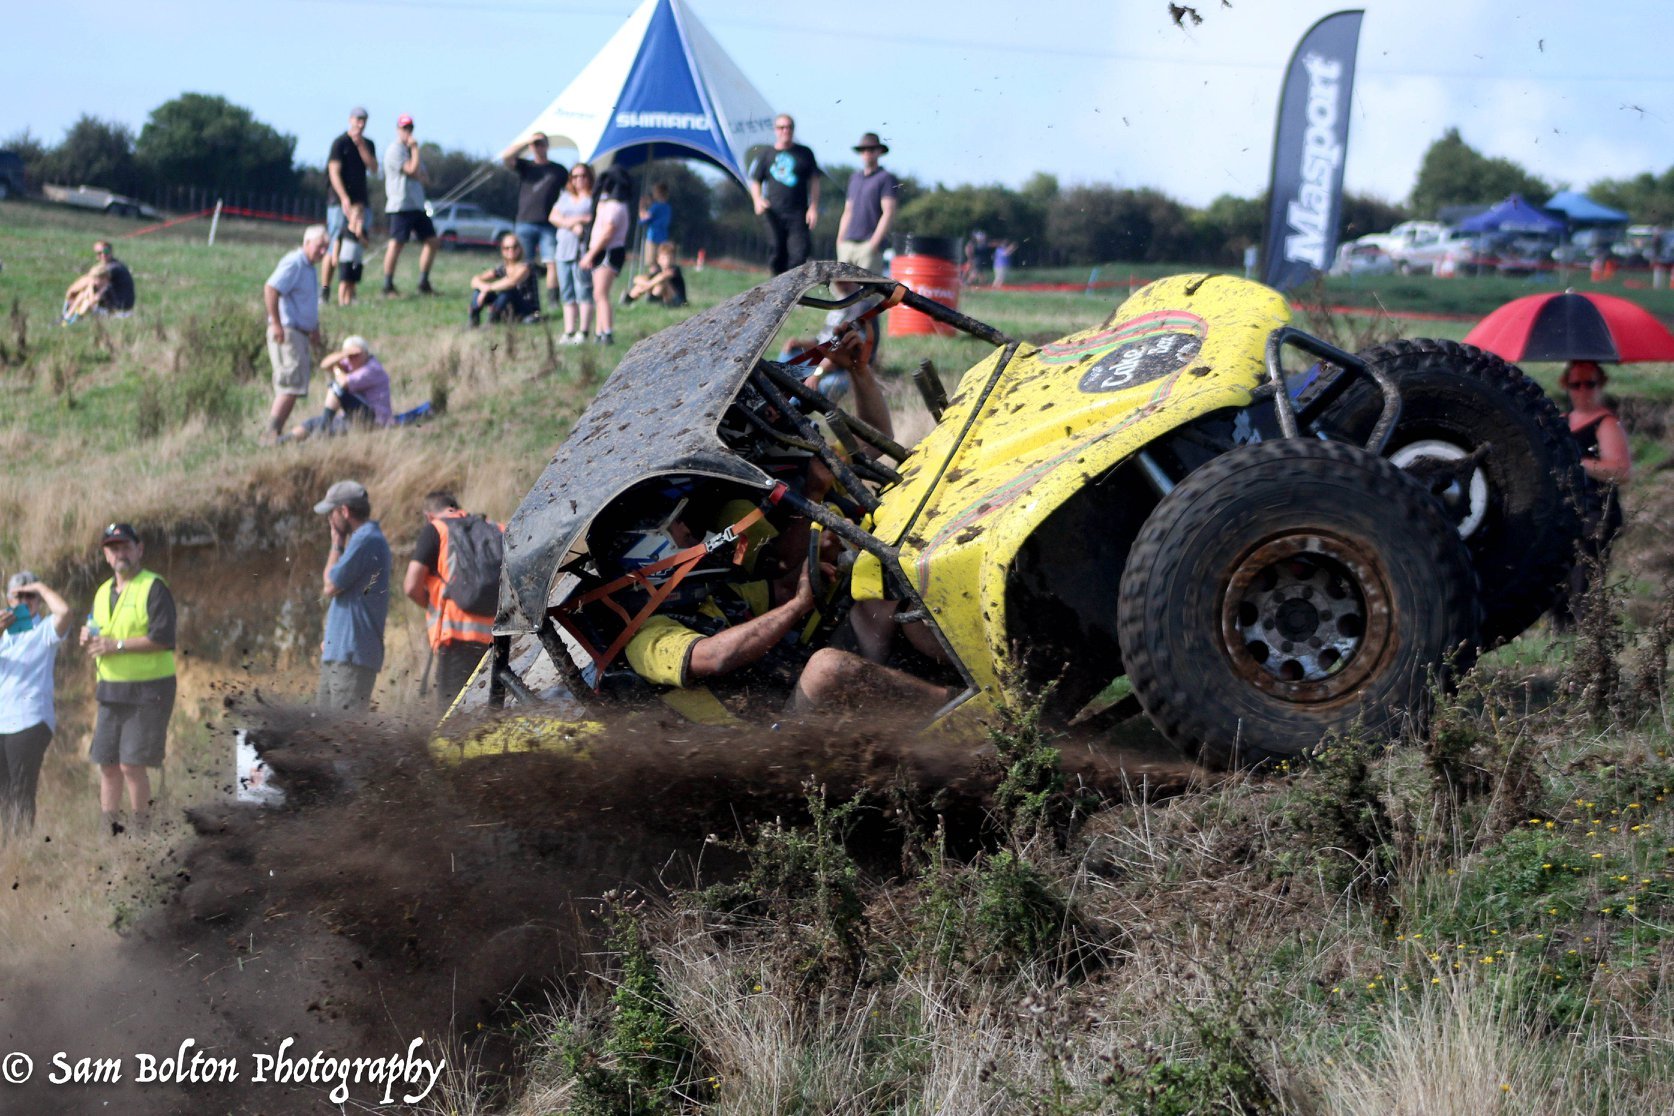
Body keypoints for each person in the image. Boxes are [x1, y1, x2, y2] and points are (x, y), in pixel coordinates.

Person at [82, 523, 176, 835]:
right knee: (108, 765)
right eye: (113, 548)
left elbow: (163, 638)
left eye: (125, 546)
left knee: (131, 765)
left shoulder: (154, 587)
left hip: (149, 689)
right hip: (111, 689)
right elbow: (96, 626)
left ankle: (141, 835)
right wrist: (87, 635)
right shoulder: (101, 592)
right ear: (106, 555)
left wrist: (116, 646)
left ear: (139, 549)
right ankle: (109, 835)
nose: (120, 553)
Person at [403, 492, 502, 707]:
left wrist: (432, 604)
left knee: (453, 716)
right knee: (490, 714)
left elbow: (411, 586)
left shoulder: (436, 529)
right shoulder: (495, 528)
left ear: (429, 516)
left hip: (456, 639)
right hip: (497, 641)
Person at [1557, 360, 1632, 624]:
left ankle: (1584, 637)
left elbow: (1621, 470)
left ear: (1601, 385)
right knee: (1557, 586)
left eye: (1590, 384)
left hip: (1596, 514)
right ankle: (1560, 637)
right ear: (1566, 386)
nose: (1583, 391)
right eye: (1576, 384)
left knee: (1583, 585)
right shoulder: (1561, 422)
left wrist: (1581, 464)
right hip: (1565, 513)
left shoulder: (1606, 423)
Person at [0, 572, 71, 838]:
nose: (24, 601)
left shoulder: (44, 630)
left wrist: (41, 586)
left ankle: (21, 848)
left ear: (39, 599)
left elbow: (64, 612)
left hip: (29, 720)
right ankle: (8, 850)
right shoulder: (3, 634)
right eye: (18, 596)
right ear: (8, 599)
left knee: (21, 789)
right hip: (2, 722)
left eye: (30, 596)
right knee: (3, 794)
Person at [314, 481, 391, 711]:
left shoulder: (366, 540)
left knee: (341, 730)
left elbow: (330, 584)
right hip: (341, 652)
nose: (330, 519)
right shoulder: (366, 539)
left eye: (332, 513)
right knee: (322, 728)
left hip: (351, 656)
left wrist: (336, 544)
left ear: (345, 511)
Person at [262, 224, 330, 444]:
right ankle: (271, 434)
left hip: (300, 334)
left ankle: (274, 433)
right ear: (307, 243)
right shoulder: (295, 263)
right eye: (319, 246)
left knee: (295, 385)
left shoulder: (309, 267)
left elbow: (305, 302)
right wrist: (276, 324)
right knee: (290, 385)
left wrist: (314, 328)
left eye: (326, 248)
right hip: (288, 332)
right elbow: (271, 288)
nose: (323, 252)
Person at [749, 114, 821, 276]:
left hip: (798, 213)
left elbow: (815, 181)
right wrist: (757, 200)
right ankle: (776, 285)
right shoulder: (766, 154)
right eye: (781, 127)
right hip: (773, 212)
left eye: (789, 127)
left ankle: (794, 286)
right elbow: (755, 180)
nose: (785, 131)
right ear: (775, 130)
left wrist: (813, 207)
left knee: (799, 253)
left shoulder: (805, 153)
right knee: (776, 249)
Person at [500, 132, 565, 307]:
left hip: (548, 224)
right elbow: (506, 157)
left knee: (551, 262)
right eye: (535, 144)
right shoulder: (526, 166)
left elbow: (569, 192)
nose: (538, 147)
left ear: (547, 145)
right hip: (525, 222)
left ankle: (553, 300)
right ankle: (523, 300)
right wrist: (526, 142)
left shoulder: (558, 170)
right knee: (523, 264)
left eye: (541, 143)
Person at [288, 335, 393, 441]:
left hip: (374, 419)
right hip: (355, 415)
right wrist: (343, 355)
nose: (352, 359)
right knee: (311, 423)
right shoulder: (352, 362)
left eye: (356, 355)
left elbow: (343, 383)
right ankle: (282, 441)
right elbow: (324, 365)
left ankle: (324, 427)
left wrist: (337, 368)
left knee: (335, 387)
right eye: (350, 356)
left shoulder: (372, 369)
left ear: (365, 353)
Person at [381, 114, 439, 297]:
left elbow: (425, 177)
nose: (408, 132)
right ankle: (387, 285)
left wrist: (415, 156)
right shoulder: (395, 150)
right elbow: (413, 171)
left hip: (417, 204)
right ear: (398, 130)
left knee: (432, 241)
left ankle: (423, 282)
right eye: (404, 128)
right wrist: (414, 149)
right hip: (401, 204)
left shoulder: (413, 153)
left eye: (410, 128)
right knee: (396, 244)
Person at [324, 107, 378, 305]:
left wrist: (361, 146)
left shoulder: (368, 144)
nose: (360, 124)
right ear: (350, 120)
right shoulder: (340, 143)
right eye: (358, 119)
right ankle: (325, 289)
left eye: (364, 120)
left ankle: (351, 292)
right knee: (334, 245)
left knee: (356, 247)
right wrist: (343, 198)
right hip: (339, 202)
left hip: (361, 203)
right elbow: (334, 172)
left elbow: (374, 168)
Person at [835, 132, 898, 274]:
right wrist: (840, 240)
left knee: (867, 287)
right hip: (847, 243)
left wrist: (874, 243)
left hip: (868, 245)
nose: (867, 153)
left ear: (879, 151)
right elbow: (848, 210)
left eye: (871, 149)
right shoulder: (854, 178)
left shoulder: (886, 178)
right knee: (840, 287)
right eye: (863, 149)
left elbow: (888, 212)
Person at [581, 167, 631, 345]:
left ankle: (607, 333)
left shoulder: (614, 207)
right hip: (603, 252)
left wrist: (590, 255)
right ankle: (599, 332)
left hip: (608, 252)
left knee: (601, 293)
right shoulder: (614, 205)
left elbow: (608, 232)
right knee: (598, 294)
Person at [549, 163, 595, 344]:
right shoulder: (565, 197)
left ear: (589, 177)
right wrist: (574, 222)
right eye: (575, 176)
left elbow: (592, 218)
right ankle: (569, 332)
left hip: (581, 252)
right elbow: (553, 217)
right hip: (563, 250)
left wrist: (570, 221)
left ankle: (583, 332)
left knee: (583, 291)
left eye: (583, 176)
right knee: (567, 293)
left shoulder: (593, 198)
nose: (579, 180)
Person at [468, 234, 540, 326]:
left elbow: (512, 282)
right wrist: (483, 288)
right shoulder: (503, 268)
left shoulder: (526, 267)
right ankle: (473, 321)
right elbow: (475, 280)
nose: (511, 250)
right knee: (478, 290)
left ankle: (492, 322)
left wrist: (487, 289)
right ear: (502, 250)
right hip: (509, 308)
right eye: (507, 248)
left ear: (520, 248)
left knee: (508, 290)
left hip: (527, 310)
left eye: (514, 247)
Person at [621, 241, 686, 308]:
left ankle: (653, 300)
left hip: (679, 302)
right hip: (663, 299)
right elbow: (636, 279)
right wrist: (647, 284)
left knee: (662, 282)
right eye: (664, 258)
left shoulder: (675, 270)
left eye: (670, 258)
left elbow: (663, 276)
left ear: (674, 260)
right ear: (658, 260)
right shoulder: (658, 271)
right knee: (644, 283)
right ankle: (629, 299)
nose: (667, 261)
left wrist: (648, 286)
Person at [638, 181, 673, 268]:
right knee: (661, 262)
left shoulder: (655, 207)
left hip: (653, 237)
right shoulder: (668, 207)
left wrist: (641, 207)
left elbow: (644, 219)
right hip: (664, 237)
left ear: (658, 193)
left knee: (652, 263)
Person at [93, 241, 135, 313]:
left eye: (106, 251)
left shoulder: (114, 267)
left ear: (111, 252)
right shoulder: (109, 266)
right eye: (99, 253)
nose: (103, 254)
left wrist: (91, 300)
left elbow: (93, 282)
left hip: (119, 309)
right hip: (119, 306)